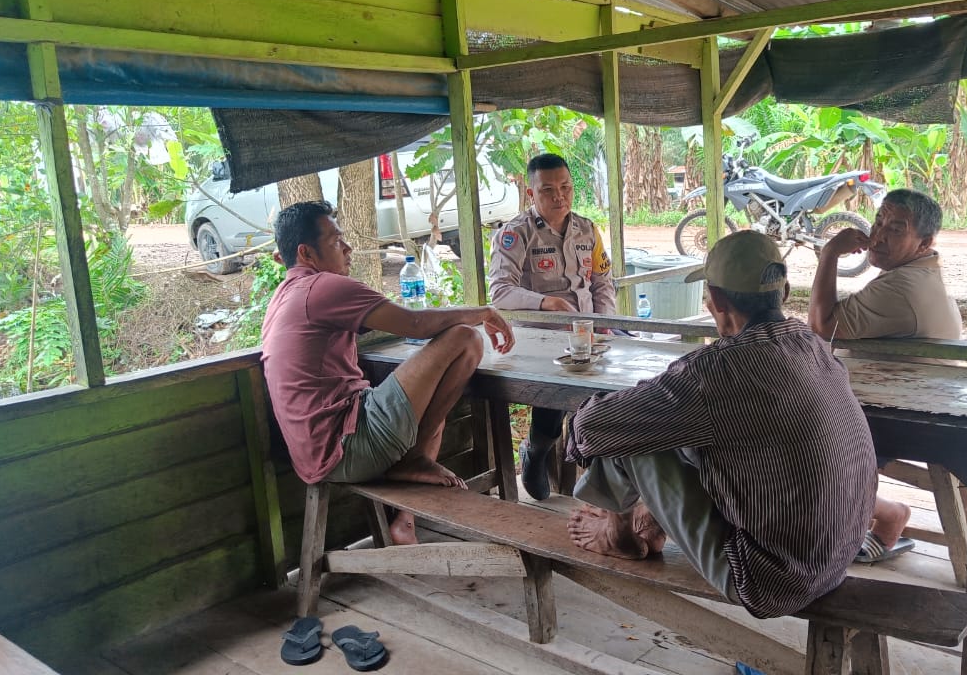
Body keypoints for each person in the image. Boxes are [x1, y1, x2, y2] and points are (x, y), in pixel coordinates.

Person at [562, 231, 877, 618]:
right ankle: (654, 519)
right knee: (680, 426)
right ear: (784, 291)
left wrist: (573, 430)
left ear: (719, 300)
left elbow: (594, 427)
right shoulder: (812, 346)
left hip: (771, 580)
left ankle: (617, 533)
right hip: (834, 560)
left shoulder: (716, 372)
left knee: (630, 432)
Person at [261, 201, 514, 546]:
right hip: (347, 444)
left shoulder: (282, 297)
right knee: (465, 339)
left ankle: (404, 518)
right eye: (336, 241)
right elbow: (413, 323)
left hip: (315, 454)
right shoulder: (321, 287)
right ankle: (416, 462)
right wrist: (482, 312)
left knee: (429, 397)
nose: (348, 248)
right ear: (306, 253)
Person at [808, 188, 963, 563]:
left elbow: (819, 325)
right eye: (879, 221)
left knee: (790, 434)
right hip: (910, 397)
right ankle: (877, 513)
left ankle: (884, 515)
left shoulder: (901, 288)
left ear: (924, 242)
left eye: (896, 229)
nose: (878, 235)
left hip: (906, 416)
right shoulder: (919, 274)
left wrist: (829, 254)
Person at [489, 153, 616, 500]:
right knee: (557, 393)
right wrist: (546, 303)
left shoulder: (588, 230)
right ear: (531, 194)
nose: (559, 196)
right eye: (548, 190)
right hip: (541, 341)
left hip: (589, 335)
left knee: (611, 396)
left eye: (566, 187)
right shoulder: (515, 235)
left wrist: (606, 325)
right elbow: (500, 291)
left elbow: (602, 283)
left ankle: (596, 478)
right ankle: (536, 450)